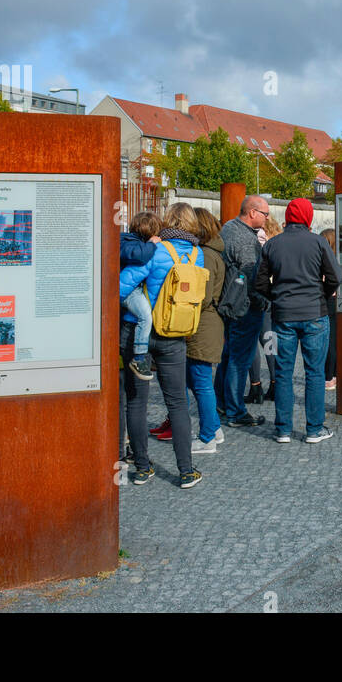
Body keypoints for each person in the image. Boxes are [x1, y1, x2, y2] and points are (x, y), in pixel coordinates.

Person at [118, 202, 208, 488]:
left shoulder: (156, 251)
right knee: (178, 404)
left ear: (167, 221)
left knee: (136, 401)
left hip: (139, 333)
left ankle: (143, 467)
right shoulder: (198, 255)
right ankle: (186, 471)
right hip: (175, 334)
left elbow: (121, 286)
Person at [254, 197, 340, 444]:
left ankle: (283, 429)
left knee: (283, 373)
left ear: (288, 217)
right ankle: (313, 429)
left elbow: (259, 282)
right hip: (314, 313)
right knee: (315, 373)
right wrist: (321, 295)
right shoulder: (318, 243)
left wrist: (277, 296)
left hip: (283, 316)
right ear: (308, 217)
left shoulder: (272, 244)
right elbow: (335, 276)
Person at [220, 195, 270, 428]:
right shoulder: (245, 240)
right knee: (239, 359)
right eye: (265, 214)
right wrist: (262, 300)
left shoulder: (228, 228)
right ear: (252, 212)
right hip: (244, 307)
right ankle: (235, 411)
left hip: (230, 303)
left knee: (229, 355)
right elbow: (252, 277)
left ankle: (222, 403)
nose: (267, 219)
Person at [184, 207, 227, 455]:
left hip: (204, 323)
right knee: (197, 379)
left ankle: (208, 436)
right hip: (207, 323)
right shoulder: (212, 251)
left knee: (200, 381)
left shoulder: (206, 254)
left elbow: (204, 295)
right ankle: (214, 428)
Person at [119, 212, 162, 381]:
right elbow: (141, 255)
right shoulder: (128, 243)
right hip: (128, 291)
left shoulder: (128, 240)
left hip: (129, 289)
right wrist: (152, 244)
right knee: (145, 316)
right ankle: (139, 357)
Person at [245, 215, 283, 405]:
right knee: (270, 342)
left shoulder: (258, 238)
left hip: (257, 296)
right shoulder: (278, 241)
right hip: (272, 298)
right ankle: (275, 384)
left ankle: (255, 385)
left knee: (252, 342)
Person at [320, 227, 339, 389]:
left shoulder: (325, 258)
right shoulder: (338, 257)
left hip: (328, 300)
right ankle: (334, 374)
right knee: (335, 338)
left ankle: (329, 376)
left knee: (329, 340)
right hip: (337, 300)